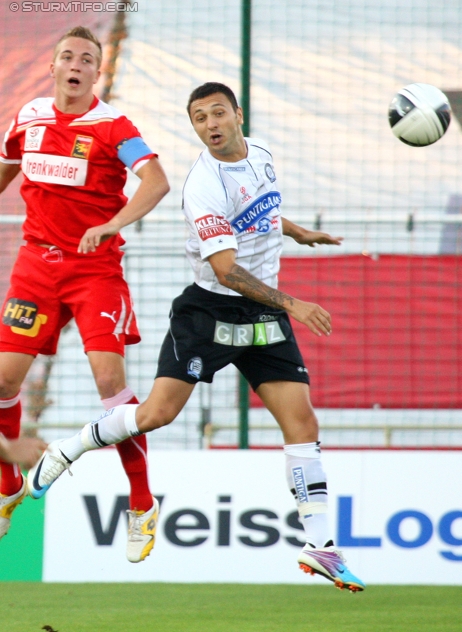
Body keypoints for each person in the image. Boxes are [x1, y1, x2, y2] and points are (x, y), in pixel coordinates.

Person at [28, 81, 364, 591]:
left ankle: (320, 547)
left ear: (238, 115)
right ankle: (67, 449)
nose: (210, 124)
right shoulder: (201, 185)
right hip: (210, 311)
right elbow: (227, 271)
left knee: (302, 422)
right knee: (156, 415)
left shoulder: (264, 154)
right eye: (199, 118)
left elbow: (263, 209)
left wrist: (296, 232)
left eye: (217, 113)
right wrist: (294, 303)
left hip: (261, 314)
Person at [0, 26, 170, 561]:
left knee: (109, 382)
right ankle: (8, 486)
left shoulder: (114, 126)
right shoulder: (27, 118)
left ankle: (141, 501)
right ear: (53, 68)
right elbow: (5, 169)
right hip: (35, 268)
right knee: (2, 379)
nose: (76, 63)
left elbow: (156, 181)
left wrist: (112, 223)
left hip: (95, 270)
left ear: (97, 73)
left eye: (87, 58)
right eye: (67, 56)